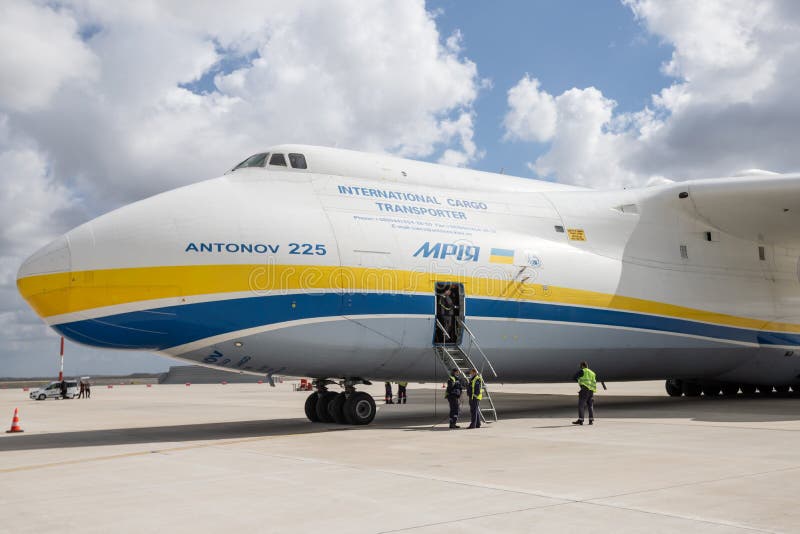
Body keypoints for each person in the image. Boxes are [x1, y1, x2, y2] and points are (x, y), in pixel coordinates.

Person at [572, 361, 597, 425]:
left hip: (584, 390)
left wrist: (579, 381)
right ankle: (591, 420)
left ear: (582, 366)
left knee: (581, 405)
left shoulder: (582, 371)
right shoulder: (592, 373)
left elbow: (574, 377)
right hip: (591, 391)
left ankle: (581, 420)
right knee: (590, 405)